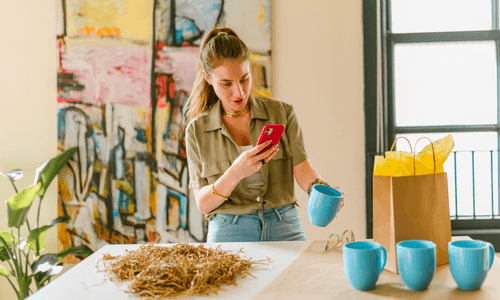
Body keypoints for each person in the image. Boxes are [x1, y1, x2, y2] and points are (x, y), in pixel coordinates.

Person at [184, 27, 344, 243]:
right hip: (229, 230)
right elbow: (203, 204)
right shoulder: (196, 130)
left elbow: (302, 168)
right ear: (208, 78)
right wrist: (237, 171)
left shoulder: (282, 113)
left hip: (284, 224)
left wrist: (321, 191)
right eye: (226, 84)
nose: (239, 92)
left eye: (244, 79)